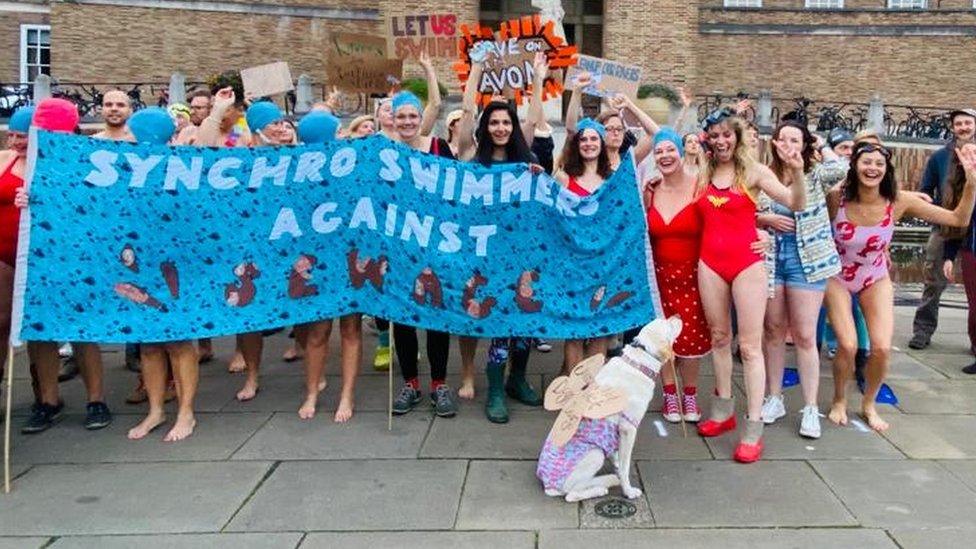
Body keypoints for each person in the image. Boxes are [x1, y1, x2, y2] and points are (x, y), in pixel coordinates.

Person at [826, 141, 976, 431]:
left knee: (881, 348)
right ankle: (839, 399)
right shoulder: (837, 198)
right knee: (847, 344)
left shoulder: (898, 201)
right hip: (838, 275)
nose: (872, 168)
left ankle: (869, 404)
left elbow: (959, 218)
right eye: (866, 162)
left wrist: (971, 183)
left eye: (879, 164)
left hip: (875, 276)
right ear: (855, 167)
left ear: (887, 169)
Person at [693, 109, 806, 464]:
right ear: (708, 139)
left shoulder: (755, 171)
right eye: (715, 135)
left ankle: (753, 427)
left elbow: (794, 203)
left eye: (728, 134)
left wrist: (799, 173)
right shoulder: (703, 170)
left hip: (746, 264)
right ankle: (722, 411)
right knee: (718, 337)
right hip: (710, 261)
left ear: (738, 137)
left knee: (750, 346)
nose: (722, 141)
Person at [455, 53, 547, 422]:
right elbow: (465, 114)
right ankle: (495, 388)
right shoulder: (473, 161)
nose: (500, 128)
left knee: (524, 319)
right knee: (499, 323)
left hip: (522, 254)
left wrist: (538, 79)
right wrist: (476, 68)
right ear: (485, 127)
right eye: (493, 122)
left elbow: (535, 117)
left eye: (505, 122)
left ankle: (518, 379)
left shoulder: (524, 163)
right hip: (487, 256)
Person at [13, 99, 113, 434]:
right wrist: (25, 199)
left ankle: (96, 399)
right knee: (42, 332)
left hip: (79, 255)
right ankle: (48, 401)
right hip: (40, 257)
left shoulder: (89, 155)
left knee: (84, 332)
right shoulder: (32, 159)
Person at [757, 121, 846, 439]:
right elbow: (743, 209)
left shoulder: (816, 173)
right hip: (770, 260)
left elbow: (843, 168)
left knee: (806, 335)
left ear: (805, 145)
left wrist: (821, 145)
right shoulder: (762, 175)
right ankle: (774, 397)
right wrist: (764, 218)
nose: (789, 145)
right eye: (783, 139)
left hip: (806, 261)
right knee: (773, 331)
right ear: (775, 143)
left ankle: (810, 407)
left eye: (796, 140)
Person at [120, 107, 201, 442]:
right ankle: (156, 410)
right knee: (149, 343)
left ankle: (186, 412)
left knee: (179, 341)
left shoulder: (183, 165)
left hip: (176, 266)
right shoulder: (122, 167)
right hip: (139, 262)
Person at [387, 91, 459, 418]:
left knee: (436, 316)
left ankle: (439, 384)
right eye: (400, 117)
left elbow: (460, 185)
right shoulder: (383, 152)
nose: (406, 122)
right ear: (393, 120)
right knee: (402, 317)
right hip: (399, 248)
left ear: (420, 118)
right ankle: (411, 383)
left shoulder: (438, 147)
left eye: (411, 116)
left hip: (434, 246)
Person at [195, 75, 265, 397]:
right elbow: (203, 152)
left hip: (245, 226)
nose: (229, 113)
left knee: (245, 294)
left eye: (234, 108)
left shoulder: (246, 133)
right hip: (208, 227)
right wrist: (214, 111)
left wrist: (244, 112)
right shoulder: (199, 131)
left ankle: (249, 367)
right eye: (224, 108)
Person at [290, 109, 362, 422]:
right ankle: (312, 392)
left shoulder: (354, 165)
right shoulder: (298, 172)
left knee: (350, 329)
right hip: (317, 260)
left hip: (349, 257)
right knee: (317, 332)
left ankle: (346, 395)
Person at [644, 128, 712, 423]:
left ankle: (690, 394)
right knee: (664, 339)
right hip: (660, 278)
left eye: (670, 149)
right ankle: (670, 394)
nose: (665, 156)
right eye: (659, 151)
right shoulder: (651, 190)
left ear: (681, 152)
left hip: (695, 276)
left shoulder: (701, 187)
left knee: (693, 339)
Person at [909, 108, 976, 350]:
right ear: (952, 127)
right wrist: (937, 209)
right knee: (933, 282)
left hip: (975, 226)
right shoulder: (939, 157)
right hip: (945, 226)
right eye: (959, 124)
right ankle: (923, 331)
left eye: (968, 122)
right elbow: (926, 190)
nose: (964, 127)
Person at [552, 117, 615, 372]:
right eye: (583, 139)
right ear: (576, 145)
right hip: (573, 264)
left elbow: (652, 140)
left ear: (602, 143)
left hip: (604, 263)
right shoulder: (564, 179)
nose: (588, 144)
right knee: (575, 329)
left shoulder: (614, 181)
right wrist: (575, 93)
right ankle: (573, 390)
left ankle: (592, 387)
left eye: (593, 138)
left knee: (600, 328)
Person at [943, 142, 976, 373]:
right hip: (971, 250)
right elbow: (955, 224)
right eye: (966, 154)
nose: (971, 157)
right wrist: (948, 256)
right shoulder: (957, 186)